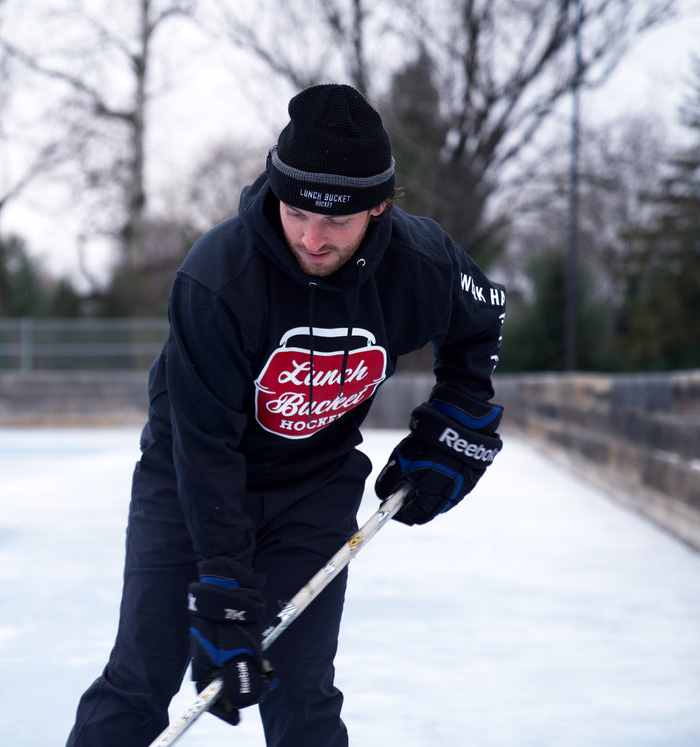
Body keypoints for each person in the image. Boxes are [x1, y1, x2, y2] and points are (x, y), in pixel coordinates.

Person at [66, 83, 505, 746]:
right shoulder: (216, 278)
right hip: (188, 480)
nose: (312, 236)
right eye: (298, 211)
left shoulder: (422, 264)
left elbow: (481, 320)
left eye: (337, 220)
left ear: (379, 205)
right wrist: (225, 584)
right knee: (140, 677)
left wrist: (459, 416)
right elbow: (204, 447)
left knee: (302, 692)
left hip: (314, 486)